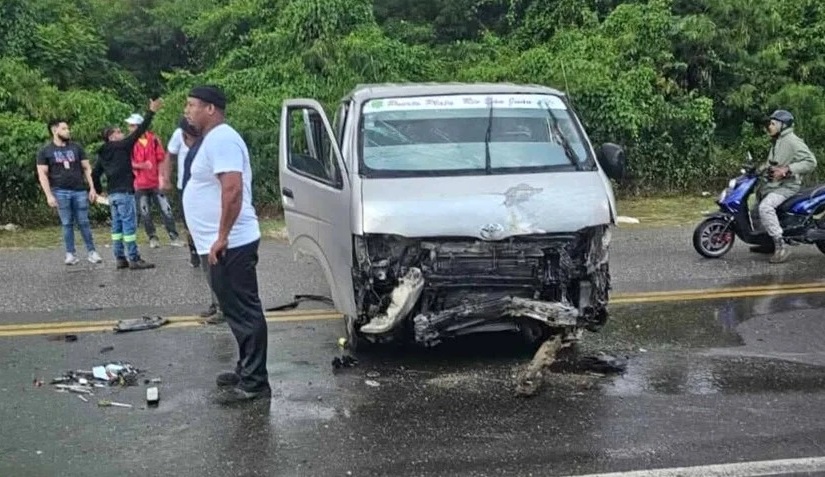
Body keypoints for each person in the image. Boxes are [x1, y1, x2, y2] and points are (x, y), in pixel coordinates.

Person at [183, 85, 270, 403]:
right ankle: (247, 368)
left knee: (244, 311)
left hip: (231, 243)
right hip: (220, 242)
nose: (187, 111)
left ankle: (255, 383)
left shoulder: (222, 138)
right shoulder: (214, 140)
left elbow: (232, 190)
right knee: (235, 311)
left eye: (192, 105)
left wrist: (221, 237)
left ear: (210, 109)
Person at [92, 98, 163, 270]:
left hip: (113, 194)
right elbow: (140, 131)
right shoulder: (122, 146)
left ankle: (120, 257)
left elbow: (95, 173)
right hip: (125, 192)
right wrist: (151, 111)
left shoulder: (103, 154)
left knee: (116, 227)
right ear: (111, 137)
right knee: (129, 226)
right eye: (117, 131)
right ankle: (134, 258)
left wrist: (99, 190)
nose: (122, 133)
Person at [164, 116, 224, 323]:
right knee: (208, 260)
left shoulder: (208, 150)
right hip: (200, 216)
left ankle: (223, 307)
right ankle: (217, 304)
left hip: (212, 219)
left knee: (214, 262)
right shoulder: (195, 153)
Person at [36, 119, 103, 265]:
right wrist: (49, 195)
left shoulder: (76, 147)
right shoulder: (46, 151)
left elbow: (87, 168)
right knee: (67, 223)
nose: (68, 131)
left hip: (79, 190)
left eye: (68, 128)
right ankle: (70, 254)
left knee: (84, 222)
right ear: (55, 130)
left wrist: (92, 188)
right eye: (64, 128)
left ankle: (92, 252)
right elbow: (42, 174)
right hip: (60, 191)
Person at [755, 109, 817, 263]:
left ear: (783, 125)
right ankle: (767, 242)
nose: (770, 126)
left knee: (765, 208)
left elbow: (811, 162)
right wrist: (757, 169)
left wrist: (788, 169)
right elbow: (771, 163)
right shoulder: (779, 141)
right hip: (772, 185)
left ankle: (781, 246)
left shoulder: (792, 141)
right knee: (756, 209)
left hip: (787, 187)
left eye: (773, 123)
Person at [126, 113, 183, 249]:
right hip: (140, 184)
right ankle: (152, 237)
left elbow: (162, 159)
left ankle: (173, 236)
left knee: (166, 209)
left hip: (155, 182)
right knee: (145, 212)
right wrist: (141, 166)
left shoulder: (154, 139)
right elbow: (127, 162)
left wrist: (162, 177)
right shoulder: (129, 143)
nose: (129, 128)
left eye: (132, 125)